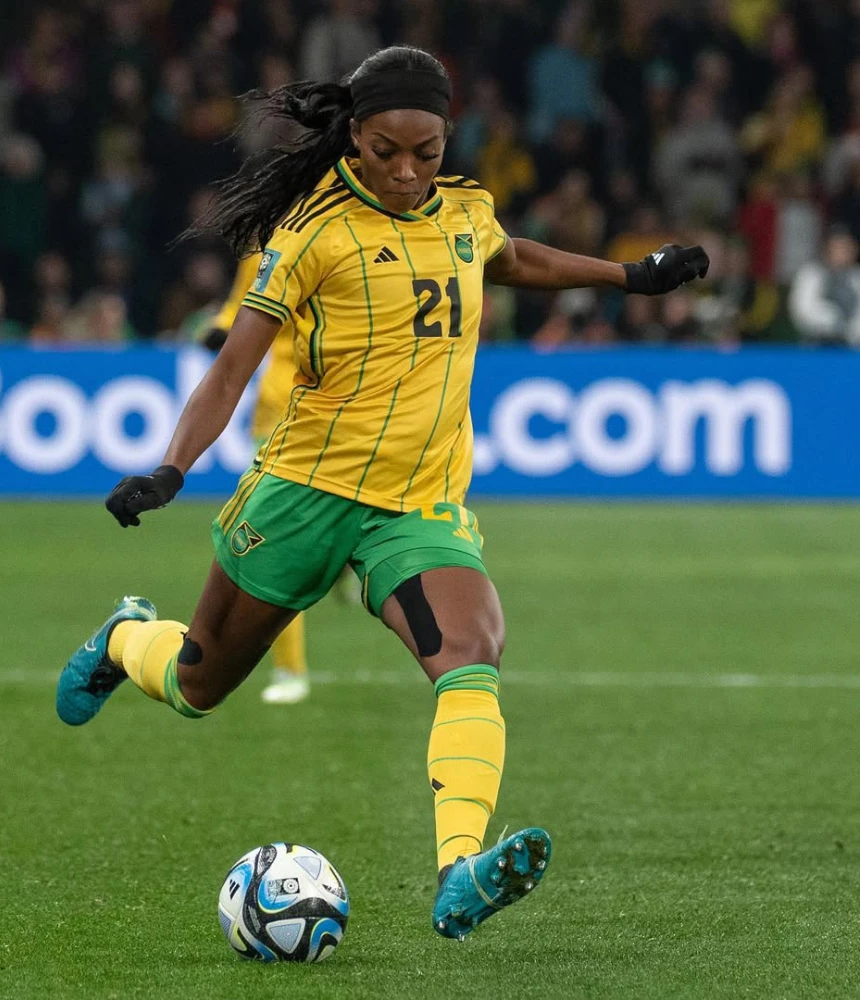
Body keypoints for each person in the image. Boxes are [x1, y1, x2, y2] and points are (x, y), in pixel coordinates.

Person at [55, 46, 708, 942]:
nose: (407, 171)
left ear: (449, 140)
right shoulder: (313, 232)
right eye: (387, 151)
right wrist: (172, 466)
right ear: (354, 138)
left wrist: (629, 275)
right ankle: (125, 634)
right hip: (301, 494)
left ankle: (458, 871)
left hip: (418, 507)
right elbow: (233, 366)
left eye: (427, 152)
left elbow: (511, 256)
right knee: (196, 684)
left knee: (472, 656)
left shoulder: (465, 211)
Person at [204, 253, 313, 704]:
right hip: (278, 407)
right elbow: (241, 305)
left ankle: (347, 556)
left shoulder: (354, 236)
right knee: (273, 540)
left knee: (281, 541)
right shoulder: (269, 249)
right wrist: (220, 326)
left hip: (335, 406)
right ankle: (290, 669)